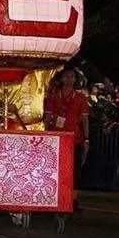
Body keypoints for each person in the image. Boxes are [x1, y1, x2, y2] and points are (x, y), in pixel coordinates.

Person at [44, 67, 90, 204]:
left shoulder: (81, 98)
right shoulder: (53, 97)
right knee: (55, 169)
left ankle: (73, 200)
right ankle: (54, 197)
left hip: (74, 139)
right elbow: (47, 117)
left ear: (75, 80)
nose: (69, 79)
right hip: (55, 139)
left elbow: (85, 120)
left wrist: (86, 139)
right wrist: (44, 134)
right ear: (61, 79)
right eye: (66, 76)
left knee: (75, 170)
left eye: (72, 77)